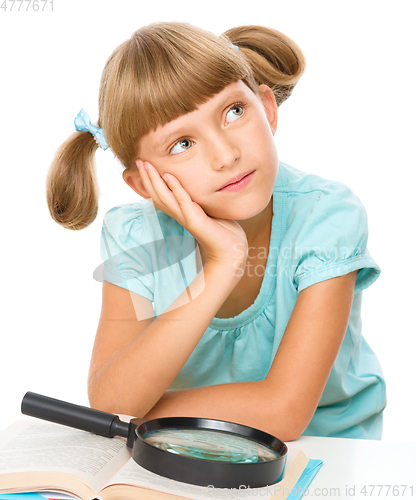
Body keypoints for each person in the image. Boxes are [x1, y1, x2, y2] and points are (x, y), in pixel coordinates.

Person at [46, 21, 386, 441]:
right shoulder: (136, 236)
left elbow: (285, 412)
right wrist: (222, 263)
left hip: (328, 450)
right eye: (182, 144)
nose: (226, 155)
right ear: (142, 184)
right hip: (197, 447)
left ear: (268, 108)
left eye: (234, 112)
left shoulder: (327, 217)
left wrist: (142, 413)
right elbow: (112, 397)